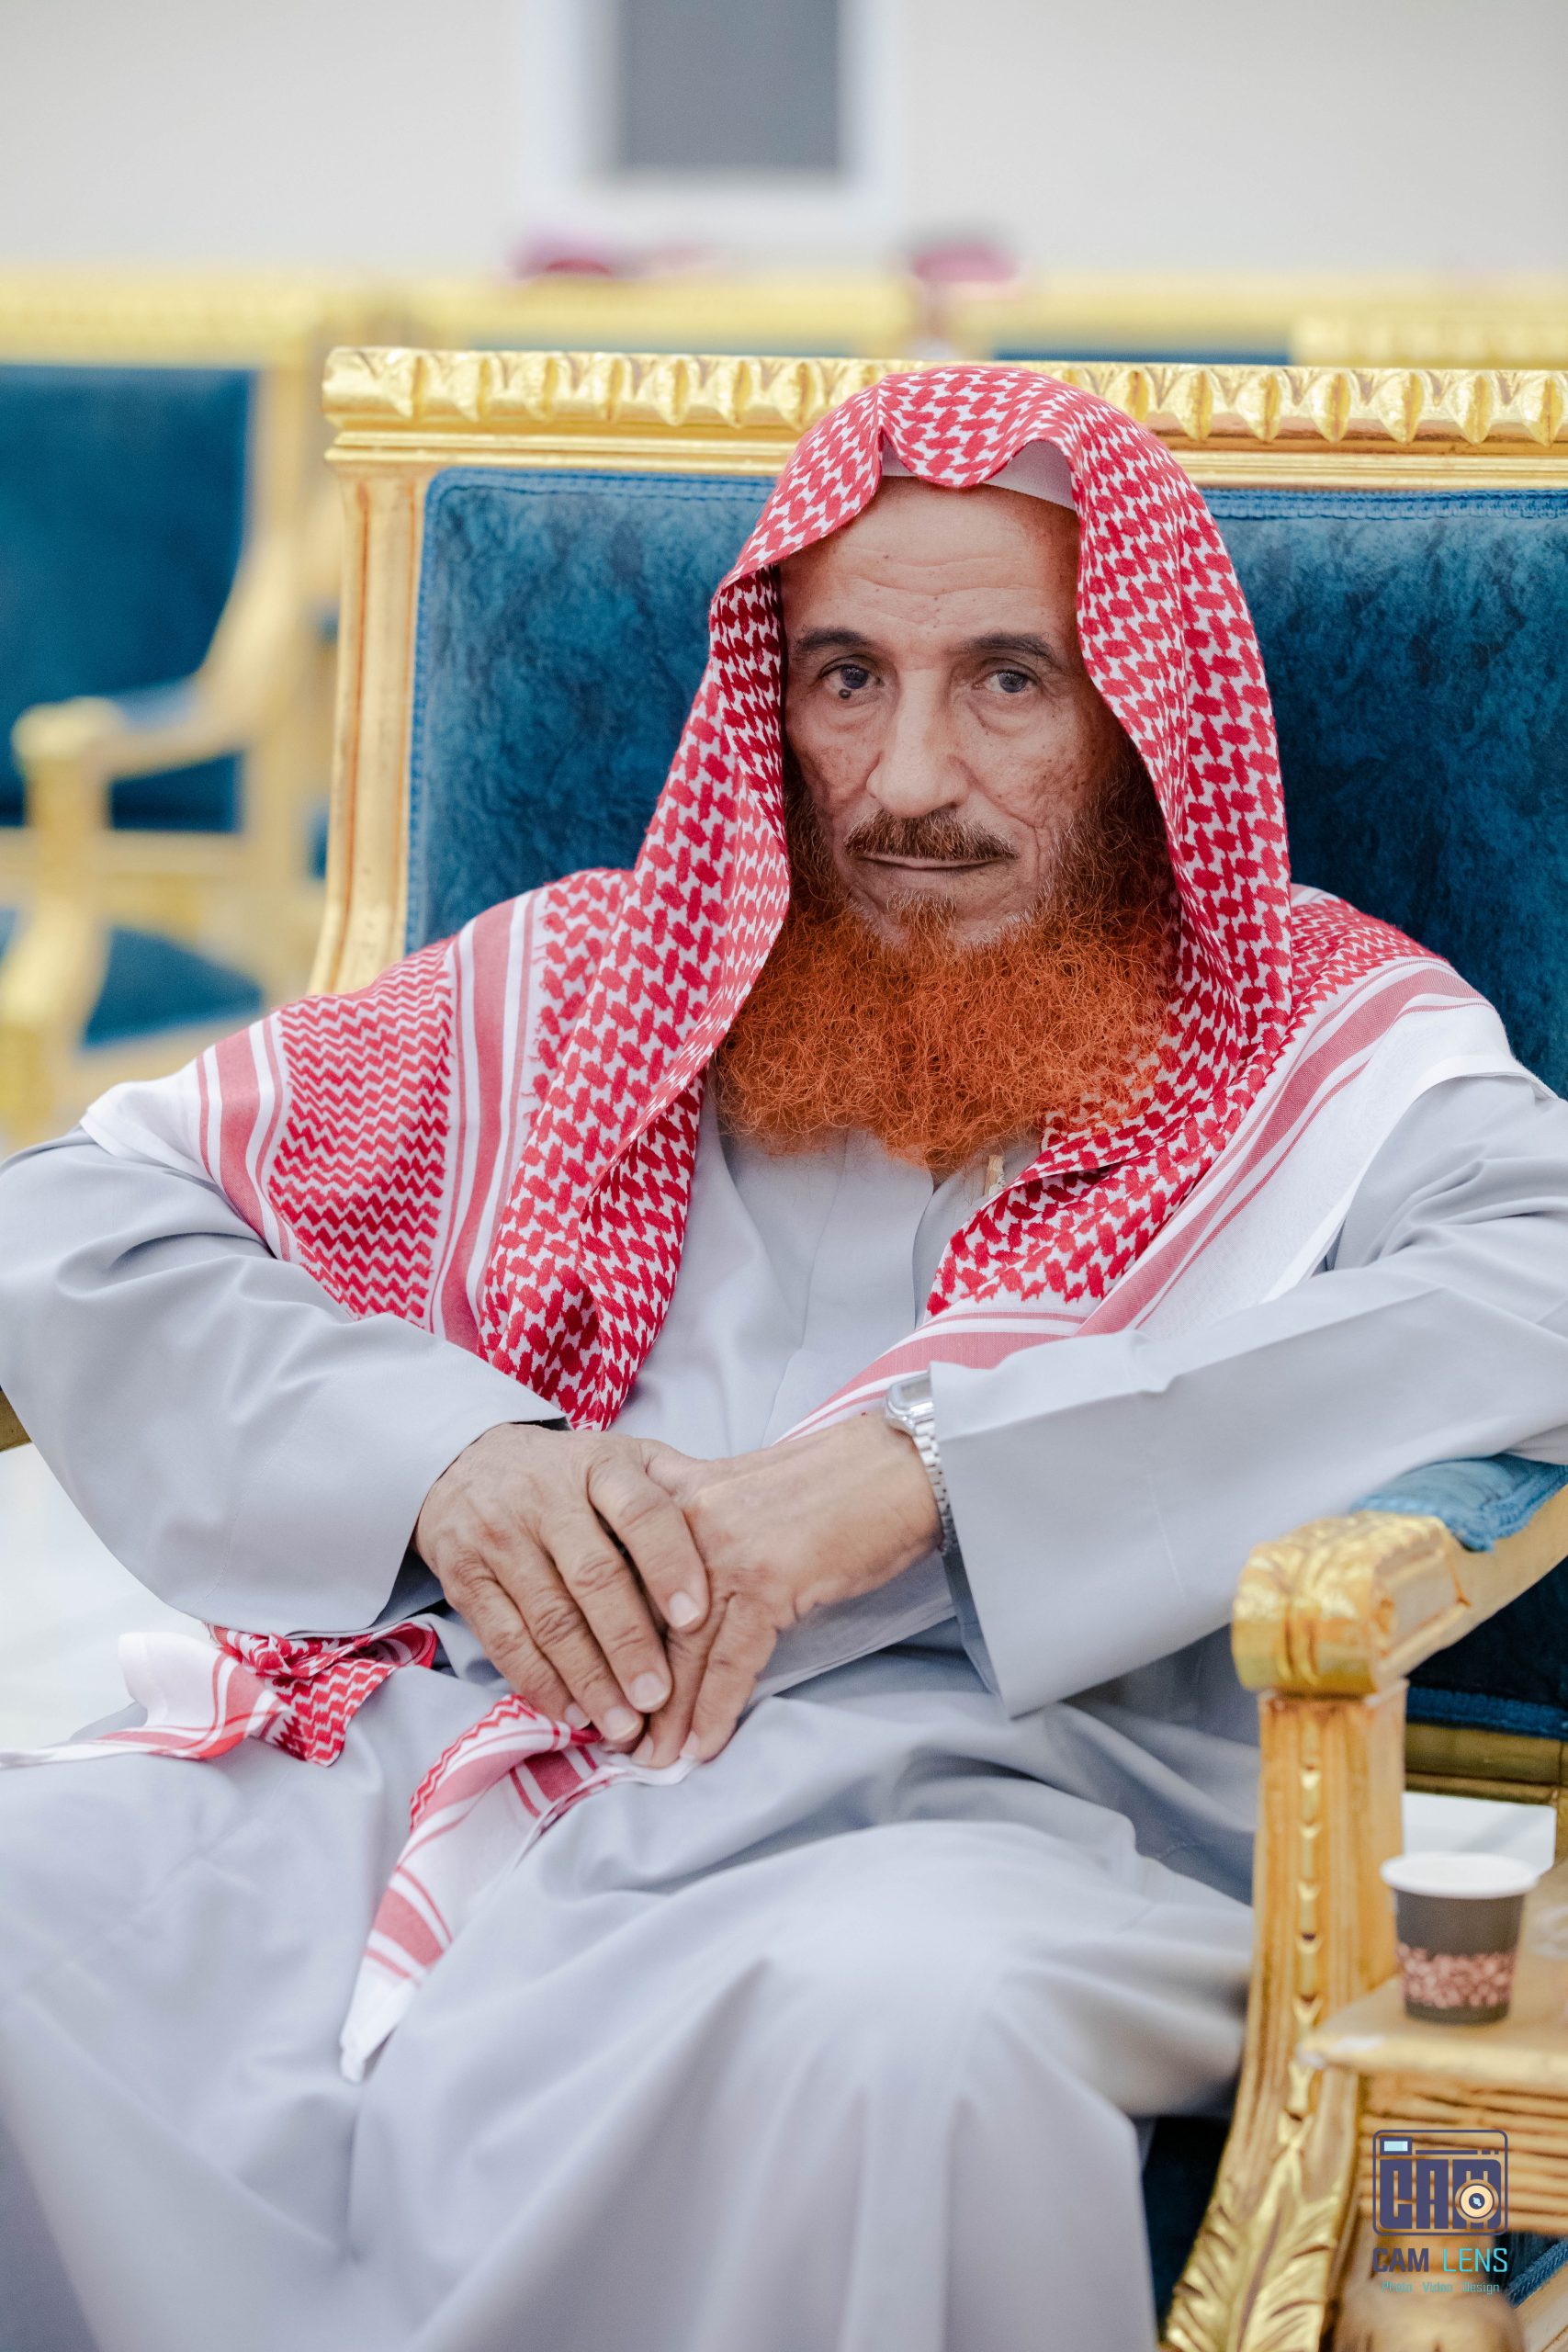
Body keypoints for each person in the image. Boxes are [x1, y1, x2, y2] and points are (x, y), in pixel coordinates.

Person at [2, 367, 1565, 2352]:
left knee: (899, 2036)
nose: (908, 780)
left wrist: (935, 1474)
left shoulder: (1304, 1037)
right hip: (454, 1743)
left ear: (1139, 713)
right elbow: (74, 1212)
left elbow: (1541, 1270)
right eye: (846, 679)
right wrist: (450, 1458)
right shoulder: (590, 981)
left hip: (979, 1810)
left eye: (1008, 681)